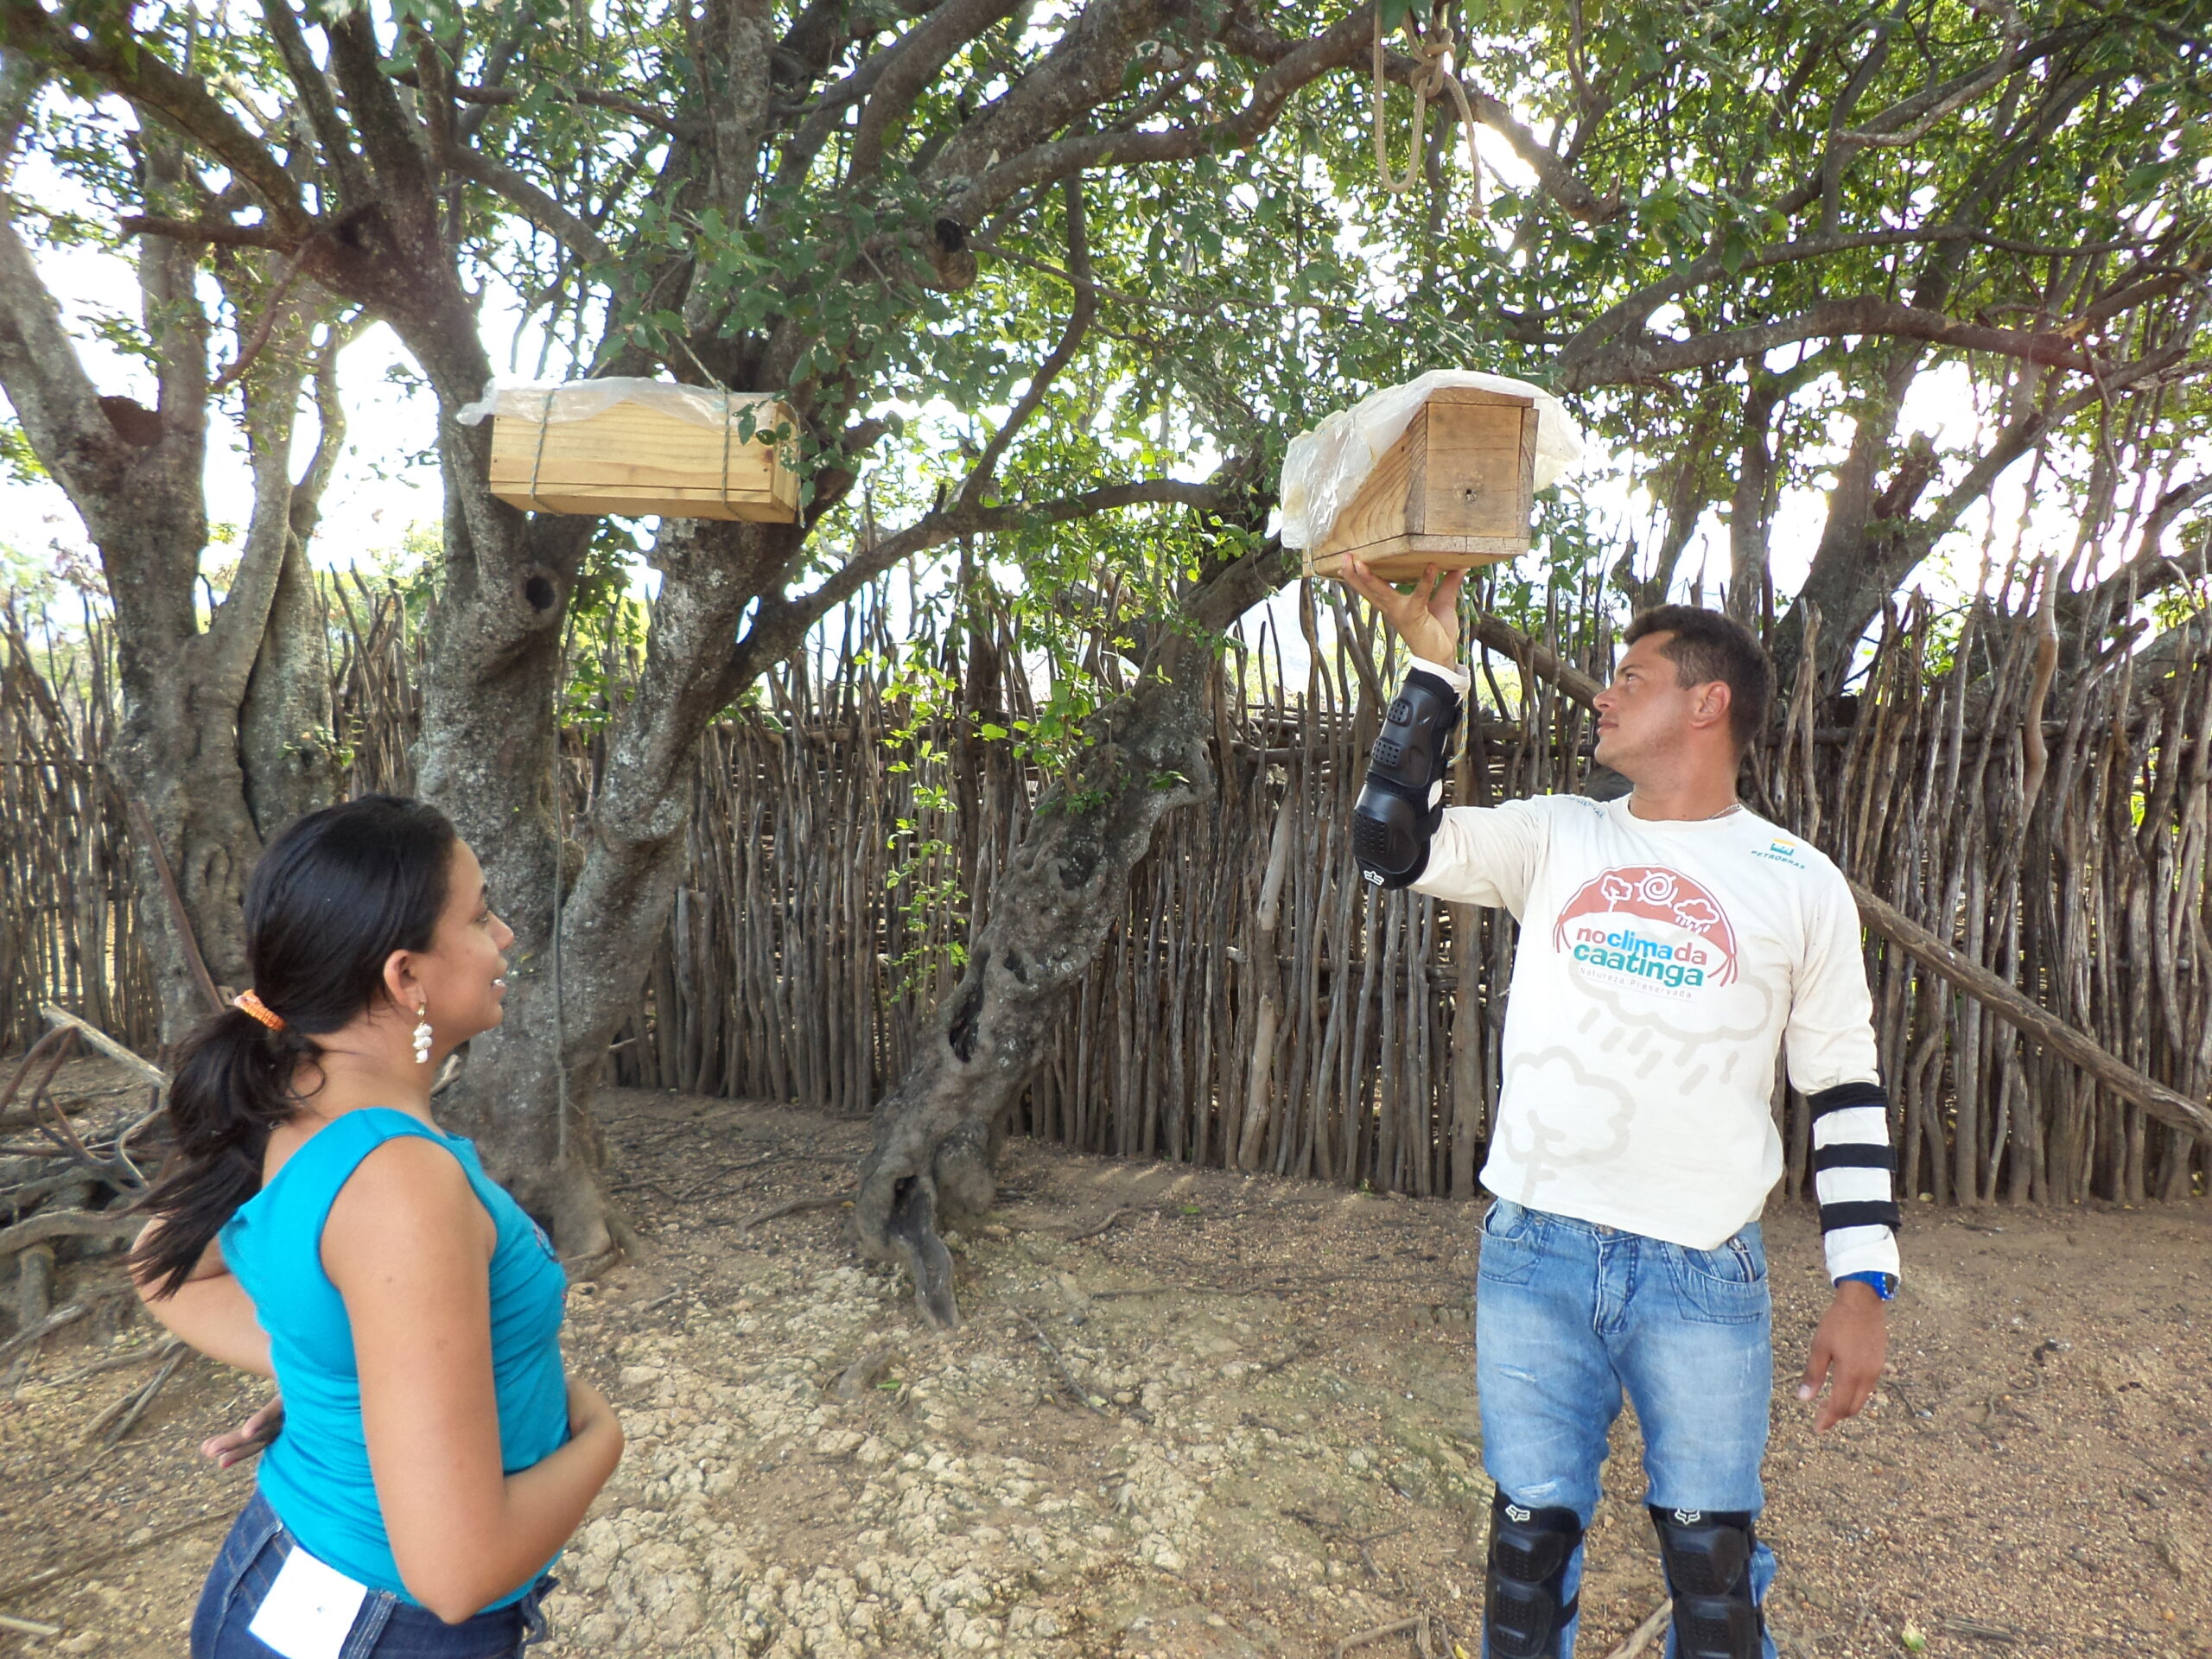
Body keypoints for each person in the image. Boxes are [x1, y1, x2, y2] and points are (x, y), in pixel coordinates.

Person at [1338, 560, 1900, 1659]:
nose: (1603, 693)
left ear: (1706, 701)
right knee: (1523, 1559)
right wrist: (1428, 670)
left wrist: (1862, 1282)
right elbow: (1387, 847)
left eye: (1629, 675)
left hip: (1699, 1270)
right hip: (1532, 1251)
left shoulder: (1799, 882)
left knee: (1713, 1576)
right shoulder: (1558, 834)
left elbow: (1842, 1086)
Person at [129, 794, 623, 1657]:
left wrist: (344, 1378)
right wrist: (602, 1434)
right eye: (478, 916)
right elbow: (458, 1574)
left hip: (289, 1579)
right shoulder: (399, 1183)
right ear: (405, 977)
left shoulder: (294, 1105)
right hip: (384, 1625)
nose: (505, 936)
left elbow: (163, 1268)